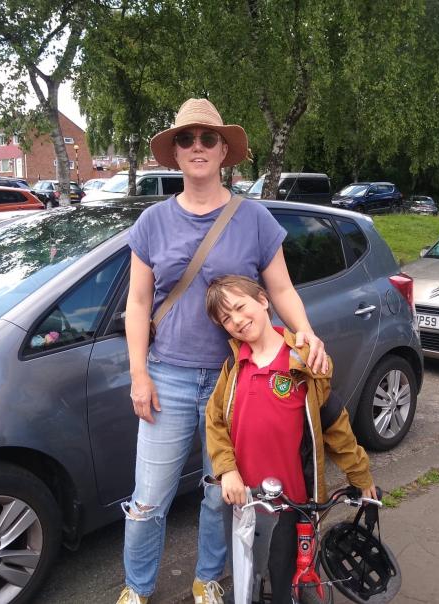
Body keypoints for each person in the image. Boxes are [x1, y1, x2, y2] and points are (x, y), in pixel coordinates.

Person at [119, 98, 329, 604]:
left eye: (207, 138)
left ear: (223, 151)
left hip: (235, 378)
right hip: (166, 374)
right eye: (186, 139)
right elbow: (138, 301)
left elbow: (280, 290)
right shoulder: (153, 221)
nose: (197, 147)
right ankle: (137, 589)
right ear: (174, 152)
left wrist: (307, 334)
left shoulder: (253, 218)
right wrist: (138, 376)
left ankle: (208, 579)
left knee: (220, 493)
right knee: (148, 500)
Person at [204, 275, 377, 604]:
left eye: (240, 307)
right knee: (246, 578)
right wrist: (227, 471)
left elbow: (335, 426)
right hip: (244, 502)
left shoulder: (305, 365)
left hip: (290, 505)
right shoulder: (233, 368)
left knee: (286, 583)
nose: (237, 320)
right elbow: (215, 423)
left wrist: (360, 474)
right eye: (226, 318)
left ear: (263, 301)